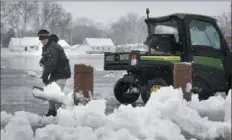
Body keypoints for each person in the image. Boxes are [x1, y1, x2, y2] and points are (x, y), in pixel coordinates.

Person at [37, 29, 71, 116]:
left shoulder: (53, 47)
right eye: (41, 40)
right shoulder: (46, 47)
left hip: (61, 73)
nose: (42, 42)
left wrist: (44, 77)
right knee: (50, 93)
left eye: (44, 40)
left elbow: (51, 64)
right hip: (55, 73)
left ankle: (60, 114)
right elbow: (46, 59)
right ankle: (51, 112)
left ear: (48, 39)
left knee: (56, 95)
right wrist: (42, 61)